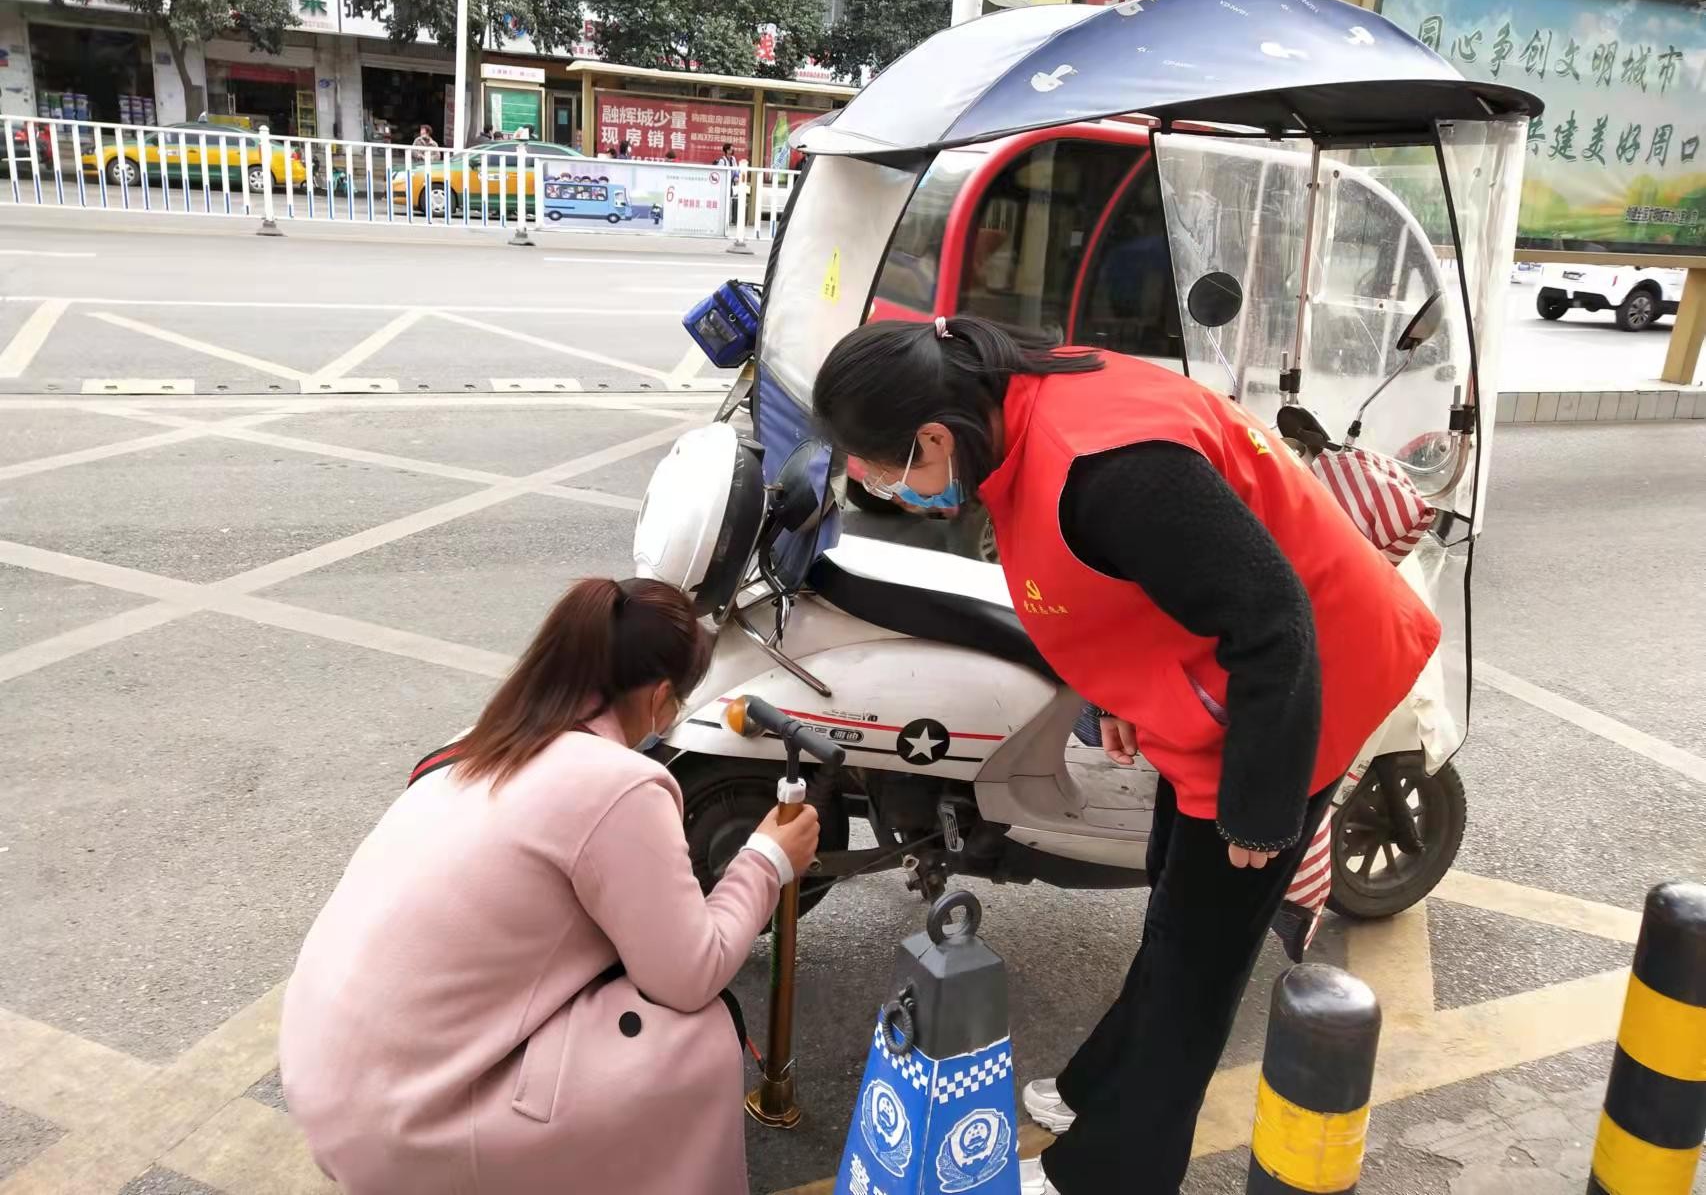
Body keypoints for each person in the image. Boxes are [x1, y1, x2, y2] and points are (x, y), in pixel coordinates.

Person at [811, 317, 1439, 1195]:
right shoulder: (1014, 406)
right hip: (1225, 682)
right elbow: (1126, 576)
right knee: (1176, 907)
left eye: (883, 471)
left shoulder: (1105, 468)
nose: (879, 487)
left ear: (934, 436)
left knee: (1200, 969)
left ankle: (1108, 1174)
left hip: (1299, 691)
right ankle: (1096, 1086)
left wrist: (1261, 801)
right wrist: (1115, 690)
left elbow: (1274, 618)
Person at [280, 577, 820, 1195]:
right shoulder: (618, 783)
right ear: (660, 699)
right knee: (696, 1035)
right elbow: (690, 973)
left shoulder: (473, 745)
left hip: (328, 1084)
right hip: (410, 1133)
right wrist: (766, 859)